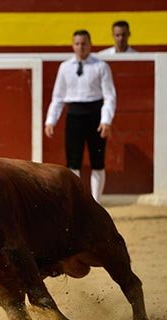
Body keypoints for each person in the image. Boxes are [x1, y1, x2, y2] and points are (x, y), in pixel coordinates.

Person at [45, 30, 116, 203]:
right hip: (74, 116)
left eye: (84, 44)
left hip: (95, 116)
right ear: (72, 45)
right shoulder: (65, 67)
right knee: (73, 162)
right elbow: (58, 97)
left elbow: (110, 96)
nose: (80, 47)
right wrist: (50, 120)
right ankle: (76, 203)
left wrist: (106, 120)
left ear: (90, 45)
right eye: (77, 44)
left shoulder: (101, 66)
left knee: (97, 161)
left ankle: (96, 203)